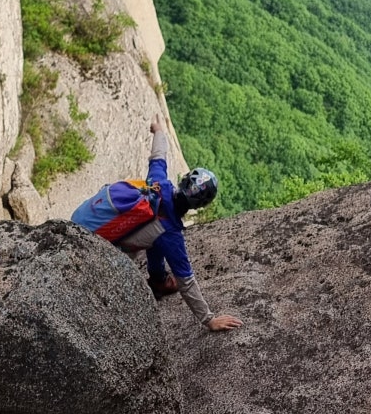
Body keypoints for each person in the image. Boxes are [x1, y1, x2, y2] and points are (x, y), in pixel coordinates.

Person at [70, 119, 242, 333]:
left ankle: (158, 279)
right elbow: (186, 281)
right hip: (97, 248)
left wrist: (158, 131)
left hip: (76, 220)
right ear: (201, 205)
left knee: (153, 236)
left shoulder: (158, 182)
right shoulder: (171, 233)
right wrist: (209, 320)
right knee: (150, 240)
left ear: (183, 180)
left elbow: (158, 156)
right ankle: (158, 281)